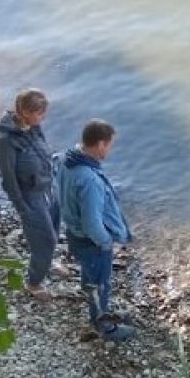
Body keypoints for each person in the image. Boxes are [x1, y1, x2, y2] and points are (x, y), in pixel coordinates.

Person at [58, 118, 135, 342]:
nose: (110, 150)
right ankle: (104, 327)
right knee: (101, 284)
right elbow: (92, 223)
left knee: (90, 275)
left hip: (74, 233)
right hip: (91, 242)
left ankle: (89, 293)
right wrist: (105, 242)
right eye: (110, 145)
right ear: (100, 144)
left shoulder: (66, 159)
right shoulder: (89, 179)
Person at [0, 88, 66, 301]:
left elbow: (44, 154)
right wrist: (22, 207)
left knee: (53, 231)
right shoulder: (5, 142)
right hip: (30, 197)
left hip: (48, 189)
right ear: (24, 112)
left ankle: (47, 262)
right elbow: (8, 179)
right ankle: (33, 283)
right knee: (45, 240)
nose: (43, 117)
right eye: (39, 113)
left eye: (44, 112)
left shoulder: (35, 128)